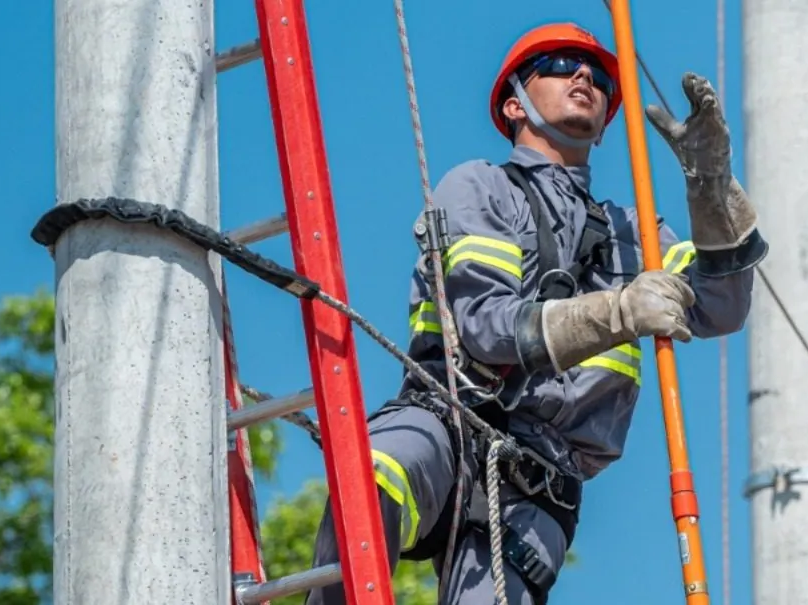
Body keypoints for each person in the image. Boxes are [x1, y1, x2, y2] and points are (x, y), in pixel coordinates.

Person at [305, 21, 767, 605]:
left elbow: (723, 306)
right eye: (558, 65)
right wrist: (621, 310)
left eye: (598, 75)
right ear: (512, 103)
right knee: (378, 475)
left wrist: (711, 187)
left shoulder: (635, 233)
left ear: (604, 130)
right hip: (445, 416)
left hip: (540, 478)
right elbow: (486, 328)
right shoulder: (480, 189)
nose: (584, 77)